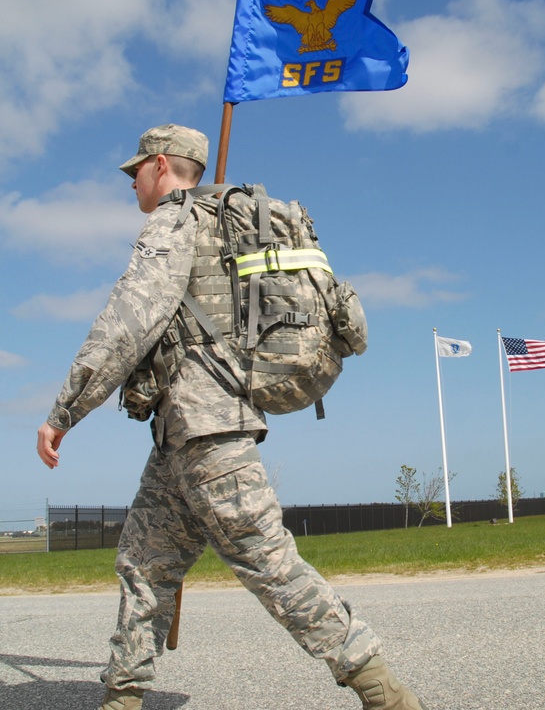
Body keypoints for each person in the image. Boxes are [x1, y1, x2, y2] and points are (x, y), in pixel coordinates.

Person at [35, 124, 426, 710]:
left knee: (270, 563)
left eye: (136, 170)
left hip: (208, 433)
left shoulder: (173, 220)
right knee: (143, 564)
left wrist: (64, 411)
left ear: (160, 164)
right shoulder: (213, 227)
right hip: (180, 437)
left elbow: (130, 318)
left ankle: (384, 693)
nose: (132, 182)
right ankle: (122, 696)